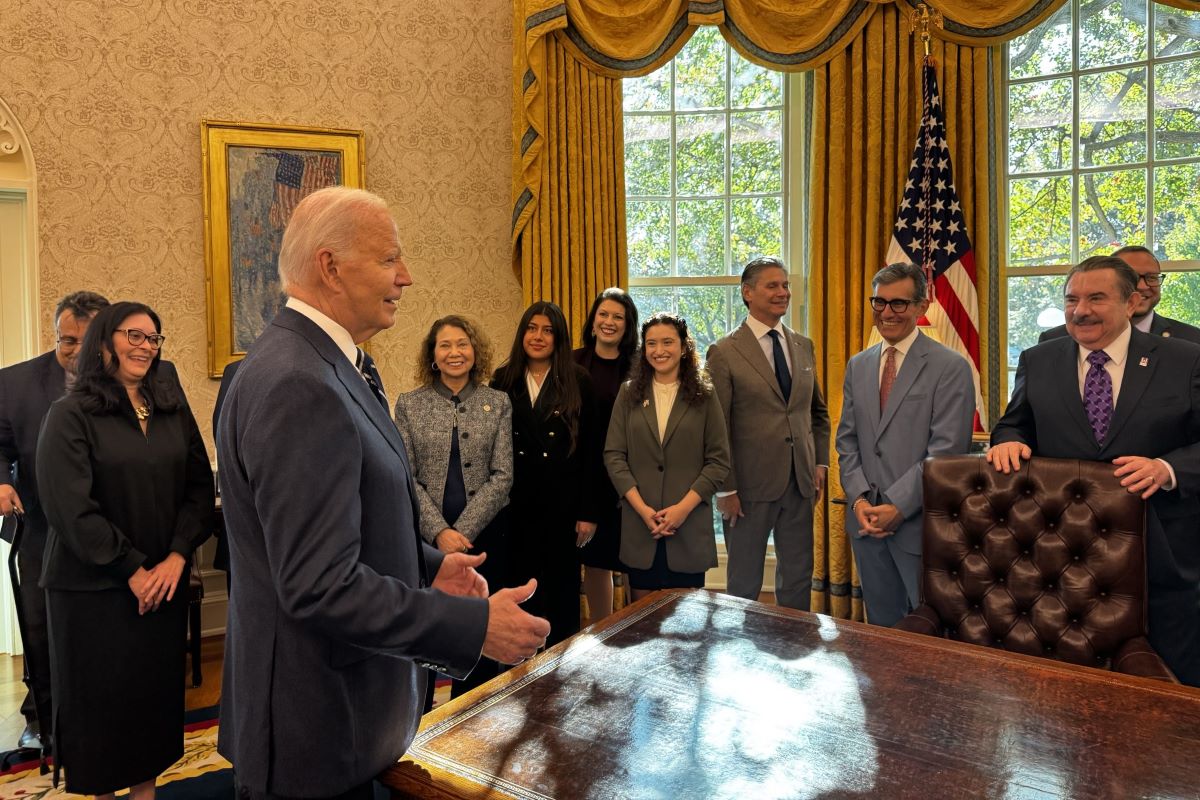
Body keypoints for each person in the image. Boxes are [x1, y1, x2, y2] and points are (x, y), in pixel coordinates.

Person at [216, 186, 549, 799]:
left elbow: (346, 523)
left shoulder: (317, 362)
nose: (407, 277)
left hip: (335, 713)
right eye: (389, 259)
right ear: (330, 267)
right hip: (315, 727)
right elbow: (319, 584)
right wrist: (469, 624)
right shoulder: (298, 383)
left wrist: (429, 567)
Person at [989, 255, 1200, 686]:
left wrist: (1167, 467)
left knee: (1169, 686)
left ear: (1131, 302)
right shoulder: (1038, 359)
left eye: (1097, 298)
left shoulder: (1186, 359)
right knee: (1073, 686)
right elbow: (1015, 422)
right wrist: (1007, 438)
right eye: (1072, 298)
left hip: (1161, 558)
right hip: (1063, 557)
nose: (1080, 310)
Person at [36, 301, 213, 798]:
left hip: (164, 582)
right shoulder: (69, 413)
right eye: (133, 335)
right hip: (93, 591)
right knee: (103, 716)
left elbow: (199, 489)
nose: (144, 346)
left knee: (149, 711)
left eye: (153, 339)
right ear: (106, 341)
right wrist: (134, 570)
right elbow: (70, 508)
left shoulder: (170, 408)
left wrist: (177, 557)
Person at [835, 263, 975, 627]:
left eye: (898, 304)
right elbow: (847, 441)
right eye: (878, 303)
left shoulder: (950, 367)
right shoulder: (858, 365)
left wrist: (897, 506)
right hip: (865, 523)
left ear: (921, 307)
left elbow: (945, 452)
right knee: (880, 631)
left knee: (928, 632)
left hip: (919, 526)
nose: (886, 313)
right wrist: (861, 499)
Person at [0, 291, 108, 751]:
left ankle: (104, 710)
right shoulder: (14, 383)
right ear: (55, 335)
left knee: (102, 625)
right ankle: (41, 717)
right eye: (68, 342)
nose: (78, 353)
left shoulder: (131, 377)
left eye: (88, 343)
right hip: (40, 525)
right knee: (41, 625)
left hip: (110, 526)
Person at [395, 315, 513, 699]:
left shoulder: (497, 403)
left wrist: (463, 532)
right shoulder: (410, 405)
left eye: (461, 343)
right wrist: (439, 533)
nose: (454, 352)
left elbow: (503, 476)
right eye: (444, 345)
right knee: (429, 631)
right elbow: (404, 477)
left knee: (478, 631)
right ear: (433, 356)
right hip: (428, 546)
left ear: (474, 350)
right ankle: (423, 714)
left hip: (485, 539)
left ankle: (476, 712)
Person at [706, 257, 831, 610]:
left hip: (801, 485)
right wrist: (725, 488)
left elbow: (817, 413)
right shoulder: (725, 352)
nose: (783, 293)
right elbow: (717, 427)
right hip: (746, 491)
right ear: (747, 292)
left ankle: (793, 651)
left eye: (785, 285)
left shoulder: (803, 346)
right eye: (772, 286)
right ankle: (743, 659)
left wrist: (820, 464)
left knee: (797, 578)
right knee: (743, 585)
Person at [492, 301, 600, 647]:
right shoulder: (503, 379)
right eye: (532, 328)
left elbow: (591, 450)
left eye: (548, 330)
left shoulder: (578, 380)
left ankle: (560, 668)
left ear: (559, 338)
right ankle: (521, 667)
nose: (538, 337)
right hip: (516, 504)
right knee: (521, 588)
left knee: (562, 590)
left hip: (564, 504)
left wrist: (588, 511)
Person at [604, 312, 730, 599]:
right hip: (641, 524)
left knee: (686, 630)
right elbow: (614, 456)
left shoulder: (705, 395)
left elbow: (718, 461)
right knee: (642, 625)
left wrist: (682, 509)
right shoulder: (628, 394)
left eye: (667, 342)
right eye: (651, 344)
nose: (659, 351)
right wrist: (641, 508)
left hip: (687, 526)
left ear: (684, 347)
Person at [574, 288, 638, 621]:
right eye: (604, 314)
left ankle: (634, 628)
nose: (609, 322)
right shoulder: (572, 362)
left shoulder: (640, 366)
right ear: (593, 319)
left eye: (618, 317)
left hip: (632, 477)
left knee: (633, 560)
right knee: (596, 561)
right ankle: (601, 629)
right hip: (589, 475)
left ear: (628, 326)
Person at [1040, 245, 1200, 345]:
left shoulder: (1192, 340)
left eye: (1151, 277)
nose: (1143, 286)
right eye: (1133, 277)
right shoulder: (1053, 341)